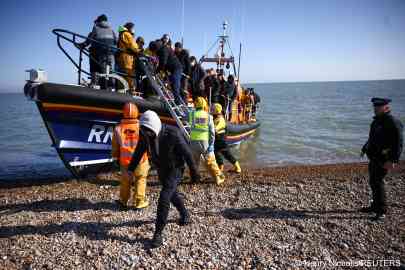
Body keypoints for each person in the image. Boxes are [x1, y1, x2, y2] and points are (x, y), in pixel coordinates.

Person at [127, 110, 201, 248]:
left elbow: (188, 154)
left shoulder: (173, 134)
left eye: (149, 131)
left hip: (175, 169)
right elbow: (138, 151)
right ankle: (185, 214)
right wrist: (130, 169)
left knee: (164, 197)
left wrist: (194, 173)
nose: (146, 133)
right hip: (161, 168)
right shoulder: (145, 135)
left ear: (155, 127)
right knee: (171, 194)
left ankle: (158, 234)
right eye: (143, 130)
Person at [360, 97, 403, 221]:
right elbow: (372, 138)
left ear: (386, 108)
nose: (376, 109)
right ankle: (374, 206)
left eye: (378, 107)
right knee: (373, 181)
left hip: (384, 159)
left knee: (378, 183)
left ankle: (382, 211)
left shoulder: (392, 122)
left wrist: (393, 160)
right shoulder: (377, 121)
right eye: (375, 107)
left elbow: (398, 143)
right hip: (374, 157)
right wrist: (364, 148)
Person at [111, 103, 150, 209]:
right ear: (137, 113)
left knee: (125, 182)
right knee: (141, 179)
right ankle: (139, 201)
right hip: (141, 160)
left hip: (125, 162)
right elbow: (148, 142)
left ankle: (123, 201)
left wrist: (115, 158)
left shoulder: (118, 129)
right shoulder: (141, 127)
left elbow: (115, 146)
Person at [188, 97, 225, 185]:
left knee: (194, 162)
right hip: (205, 143)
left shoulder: (191, 115)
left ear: (196, 104)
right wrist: (211, 144)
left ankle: (194, 179)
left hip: (193, 142)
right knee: (211, 161)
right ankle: (217, 178)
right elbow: (212, 132)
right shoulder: (209, 116)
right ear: (204, 104)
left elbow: (188, 122)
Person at [82, 14, 117, 87]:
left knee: (102, 70)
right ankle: (112, 87)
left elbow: (89, 40)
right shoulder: (111, 29)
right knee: (111, 71)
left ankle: (102, 86)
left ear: (99, 21)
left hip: (101, 52)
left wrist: (82, 45)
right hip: (111, 53)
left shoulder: (96, 28)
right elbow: (116, 40)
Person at [149, 40, 184, 104]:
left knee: (175, 83)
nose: (153, 52)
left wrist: (156, 71)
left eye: (153, 51)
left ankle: (178, 102)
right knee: (173, 84)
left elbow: (163, 63)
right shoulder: (160, 51)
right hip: (170, 70)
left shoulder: (164, 49)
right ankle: (179, 99)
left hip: (176, 68)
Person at [212, 103, 242, 173]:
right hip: (216, 140)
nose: (211, 110)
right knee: (216, 154)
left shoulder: (221, 119)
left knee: (227, 154)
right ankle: (220, 168)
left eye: (212, 109)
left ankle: (238, 167)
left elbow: (216, 128)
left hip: (221, 140)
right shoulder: (215, 118)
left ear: (216, 111)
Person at [116, 22, 141, 92]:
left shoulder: (122, 34)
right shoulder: (126, 34)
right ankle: (131, 91)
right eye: (133, 28)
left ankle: (123, 90)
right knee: (129, 76)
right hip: (127, 59)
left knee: (123, 76)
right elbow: (132, 46)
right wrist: (139, 51)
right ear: (129, 28)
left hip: (124, 58)